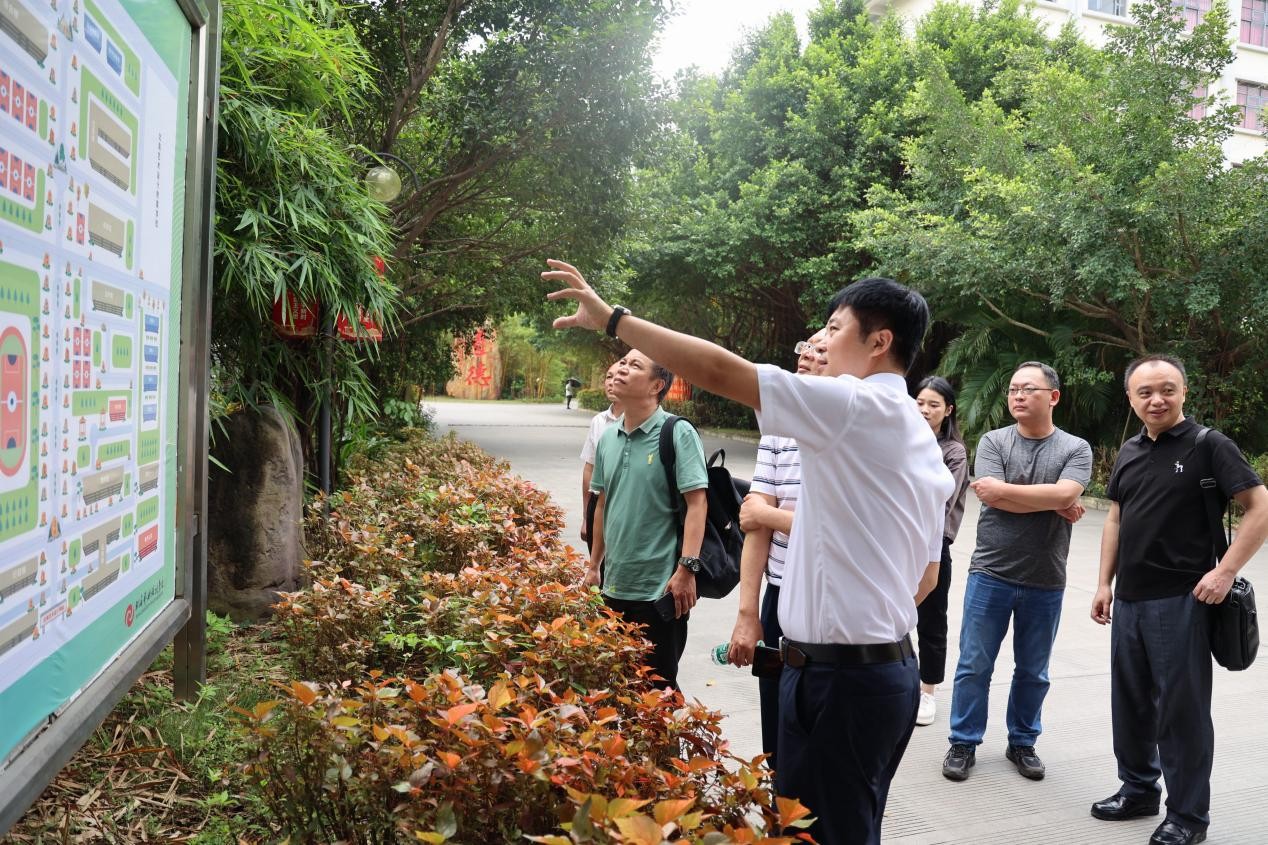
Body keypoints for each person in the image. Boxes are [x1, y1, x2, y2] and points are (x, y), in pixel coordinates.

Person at [543, 259, 952, 845]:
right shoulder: (911, 434)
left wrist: (614, 320)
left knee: (822, 832)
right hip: (866, 669)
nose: (820, 341)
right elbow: (926, 573)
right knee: (833, 826)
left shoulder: (859, 406)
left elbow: (719, 370)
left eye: (835, 328)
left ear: (879, 342)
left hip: (845, 681)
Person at [1090, 354, 1267, 845]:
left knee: (1181, 713)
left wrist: (1225, 572)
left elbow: (1259, 506)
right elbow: (1115, 518)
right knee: (1130, 704)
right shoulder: (1129, 450)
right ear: (1131, 398)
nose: (1157, 399)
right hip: (1129, 600)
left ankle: (1188, 817)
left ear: (1184, 391)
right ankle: (1138, 790)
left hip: (1182, 600)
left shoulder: (1209, 445)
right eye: (1145, 392)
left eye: (1167, 389)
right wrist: (1104, 583)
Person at [942, 361, 1091, 783]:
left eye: (1028, 389)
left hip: (1046, 577)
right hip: (991, 571)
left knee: (1033, 671)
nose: (1018, 396)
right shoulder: (995, 441)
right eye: (1012, 389)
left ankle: (1022, 742)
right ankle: (963, 742)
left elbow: (1057, 492)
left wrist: (1019, 493)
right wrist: (1054, 502)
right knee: (974, 665)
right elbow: (992, 498)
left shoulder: (1075, 448)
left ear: (1053, 397)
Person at [725, 329, 828, 769]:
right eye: (804, 347)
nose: (806, 356)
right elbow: (753, 523)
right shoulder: (778, 429)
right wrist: (747, 614)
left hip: (832, 600)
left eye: (821, 350)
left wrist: (770, 515)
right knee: (776, 721)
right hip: (780, 594)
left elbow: (843, 531)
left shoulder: (858, 435)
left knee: (822, 731)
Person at [587, 350, 708, 691]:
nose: (621, 369)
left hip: (660, 590)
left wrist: (687, 569)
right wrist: (594, 566)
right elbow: (602, 505)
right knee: (616, 689)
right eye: (622, 362)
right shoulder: (607, 438)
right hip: (613, 586)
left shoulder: (677, 433)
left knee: (659, 690)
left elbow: (697, 504)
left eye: (634, 365)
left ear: (657, 385)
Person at [912, 376, 971, 727]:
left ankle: (927, 691)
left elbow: (942, 500)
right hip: (897, 542)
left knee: (932, 620)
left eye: (933, 404)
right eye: (920, 402)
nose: (924, 410)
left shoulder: (954, 452)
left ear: (948, 410)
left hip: (935, 546)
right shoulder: (901, 441)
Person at [579, 362, 623, 550]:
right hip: (598, 506)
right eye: (608, 377)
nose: (611, 382)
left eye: (618, 376)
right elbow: (589, 468)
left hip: (626, 507)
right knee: (598, 564)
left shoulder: (644, 422)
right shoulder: (598, 421)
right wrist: (586, 517)